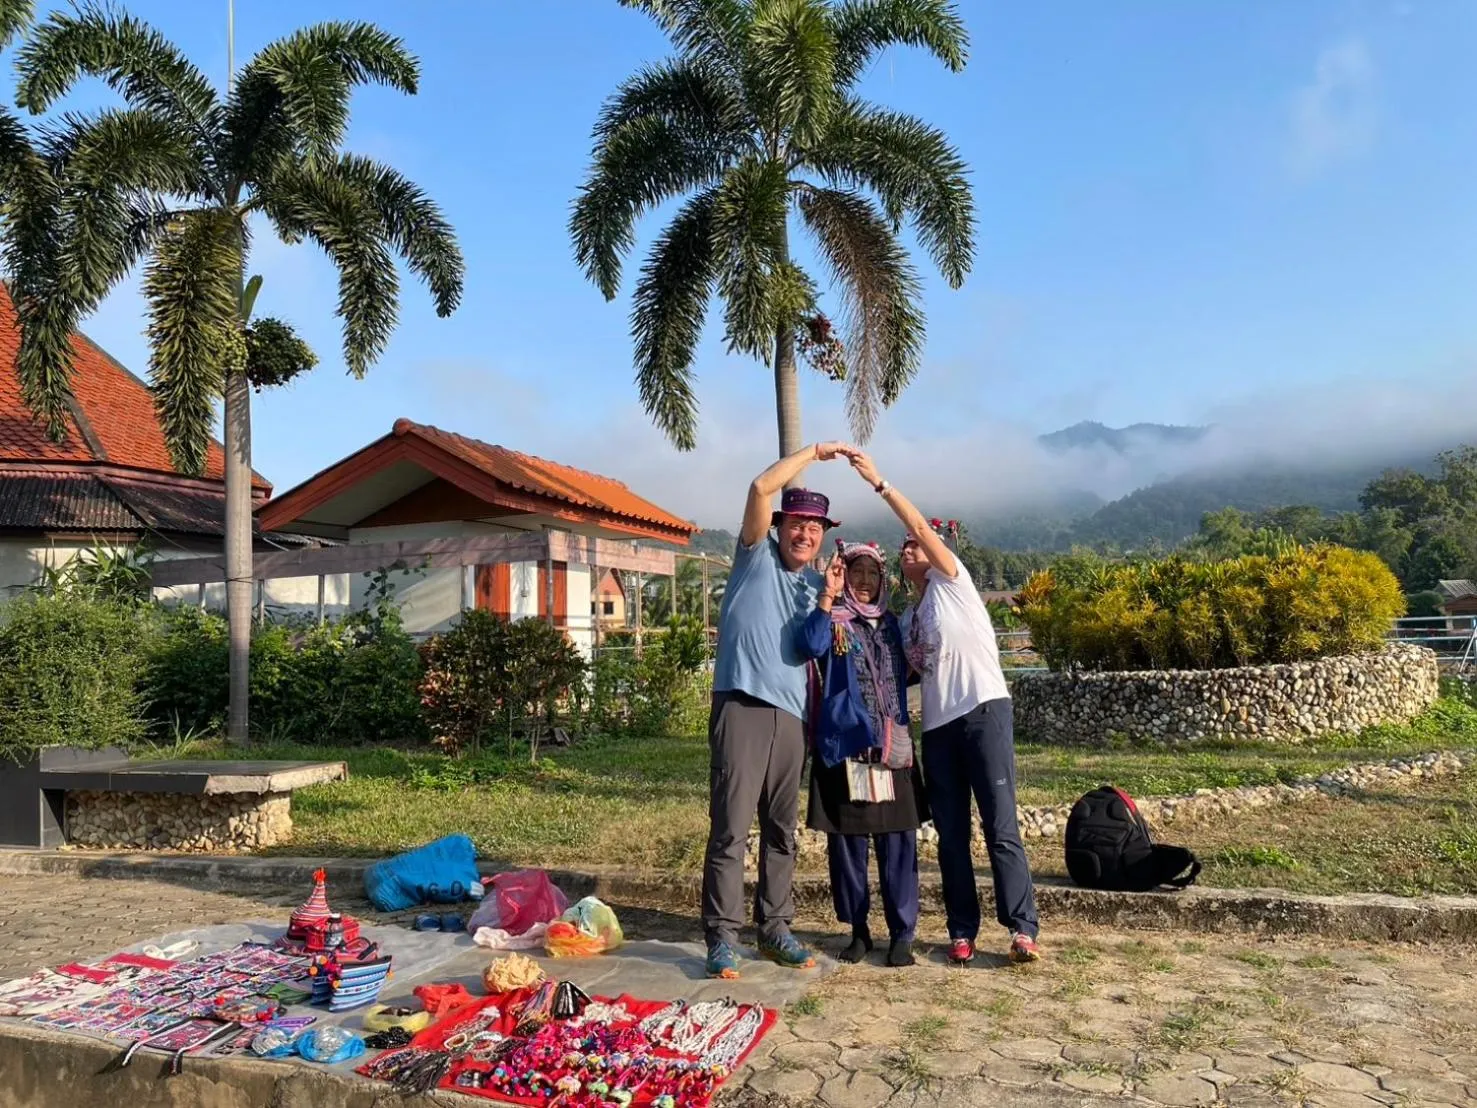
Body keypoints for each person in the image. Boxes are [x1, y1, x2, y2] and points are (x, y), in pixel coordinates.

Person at [841, 448, 1042, 966]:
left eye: (917, 543)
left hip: (983, 712)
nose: (910, 549)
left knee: (1000, 827)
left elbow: (917, 525)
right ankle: (962, 929)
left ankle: (1022, 929)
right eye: (903, 548)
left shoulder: (954, 582)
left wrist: (879, 483)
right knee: (951, 833)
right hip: (939, 730)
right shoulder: (910, 616)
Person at [701, 442, 850, 979]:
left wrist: (829, 598)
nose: (804, 534)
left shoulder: (817, 586)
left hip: (792, 718)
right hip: (741, 703)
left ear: (823, 535)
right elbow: (761, 488)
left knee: (781, 830)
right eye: (797, 523)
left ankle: (775, 929)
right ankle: (721, 937)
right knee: (731, 827)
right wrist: (815, 451)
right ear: (780, 526)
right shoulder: (754, 554)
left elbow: (816, 646)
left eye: (815, 527)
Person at [798, 540, 927, 968]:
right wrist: (827, 595)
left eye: (873, 574)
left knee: (898, 843)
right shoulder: (832, 622)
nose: (866, 582)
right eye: (857, 573)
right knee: (849, 846)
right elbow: (810, 645)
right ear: (845, 577)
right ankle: (858, 930)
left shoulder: (893, 625)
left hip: (891, 746)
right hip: (848, 748)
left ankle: (902, 933)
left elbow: (918, 663)